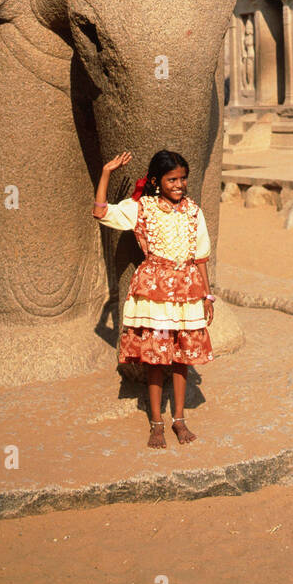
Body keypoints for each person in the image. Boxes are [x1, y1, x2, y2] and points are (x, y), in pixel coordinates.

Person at [93, 149, 214, 449]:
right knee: (156, 359)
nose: (179, 184)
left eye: (183, 179)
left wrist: (207, 295)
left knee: (182, 358)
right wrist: (107, 172)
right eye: (172, 179)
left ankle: (180, 420)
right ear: (158, 181)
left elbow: (200, 258)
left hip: (186, 293)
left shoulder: (194, 212)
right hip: (154, 293)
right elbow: (101, 212)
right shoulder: (141, 208)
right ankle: (157, 423)